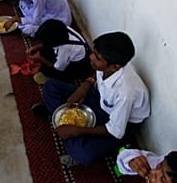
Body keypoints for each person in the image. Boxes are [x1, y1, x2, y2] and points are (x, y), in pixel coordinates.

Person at [35, 32, 151, 166]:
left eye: (97, 57)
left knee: (83, 153)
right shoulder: (110, 65)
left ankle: (66, 126)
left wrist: (76, 131)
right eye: (94, 52)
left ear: (115, 66)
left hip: (117, 121)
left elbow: (115, 130)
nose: (91, 56)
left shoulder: (126, 92)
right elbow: (97, 74)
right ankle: (64, 121)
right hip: (99, 99)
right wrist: (85, 85)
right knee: (50, 86)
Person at [27, 19, 91, 84]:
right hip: (75, 52)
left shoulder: (64, 49)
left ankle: (53, 78)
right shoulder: (61, 29)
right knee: (44, 51)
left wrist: (40, 58)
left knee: (47, 69)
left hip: (78, 66)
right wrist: (36, 47)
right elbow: (48, 42)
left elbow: (57, 68)